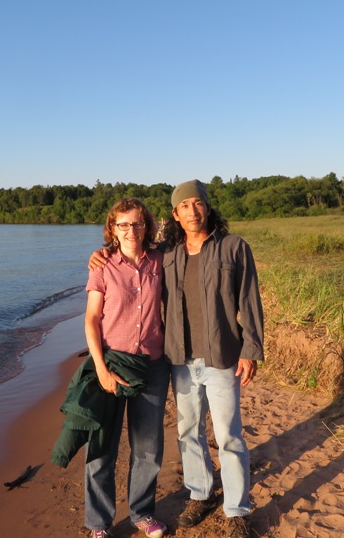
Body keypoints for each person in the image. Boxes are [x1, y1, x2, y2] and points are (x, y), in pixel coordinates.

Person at [90, 180, 264, 538]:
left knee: (228, 436)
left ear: (207, 206)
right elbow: (126, 252)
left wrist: (251, 350)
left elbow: (250, 302)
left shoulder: (233, 247)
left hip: (222, 357)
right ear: (175, 214)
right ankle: (200, 494)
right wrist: (101, 253)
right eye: (183, 206)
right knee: (188, 432)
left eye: (197, 204)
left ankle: (236, 511)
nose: (192, 211)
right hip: (180, 359)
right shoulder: (166, 252)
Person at [74, 197, 171, 538]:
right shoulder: (102, 266)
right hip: (112, 363)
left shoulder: (160, 260)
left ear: (148, 226)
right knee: (101, 449)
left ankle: (142, 513)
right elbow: (90, 320)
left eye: (138, 223)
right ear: (113, 229)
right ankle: (99, 523)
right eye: (124, 224)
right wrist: (100, 368)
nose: (132, 230)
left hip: (152, 367)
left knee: (148, 448)